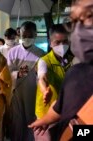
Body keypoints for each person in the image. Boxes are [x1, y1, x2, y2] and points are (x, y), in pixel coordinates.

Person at [28, 0, 93, 140]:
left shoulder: (75, 64)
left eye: (89, 17)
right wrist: (47, 119)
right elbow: (43, 78)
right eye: (75, 22)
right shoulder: (77, 72)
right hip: (48, 114)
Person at [6, 21, 45, 141]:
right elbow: (6, 73)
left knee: (30, 120)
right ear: (19, 34)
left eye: (30, 36)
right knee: (16, 121)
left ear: (35, 35)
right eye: (24, 36)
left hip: (33, 92)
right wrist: (17, 74)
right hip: (16, 92)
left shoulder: (41, 54)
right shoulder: (13, 52)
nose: (27, 38)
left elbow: (43, 75)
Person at [34, 24, 74, 140]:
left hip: (65, 114)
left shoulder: (72, 61)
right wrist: (44, 90)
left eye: (65, 41)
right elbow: (42, 77)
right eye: (57, 42)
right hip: (46, 116)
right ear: (50, 43)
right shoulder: (44, 61)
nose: (62, 46)